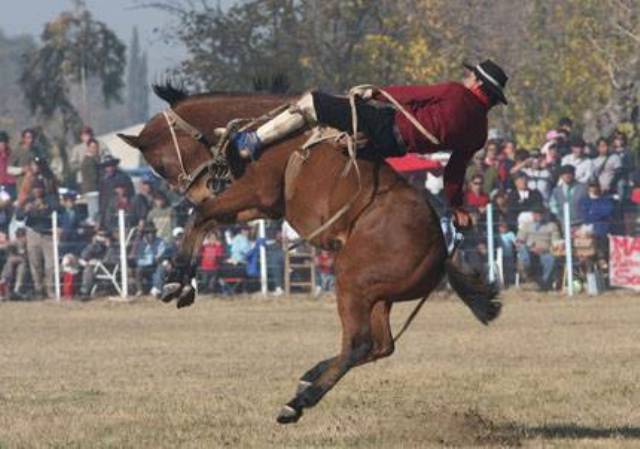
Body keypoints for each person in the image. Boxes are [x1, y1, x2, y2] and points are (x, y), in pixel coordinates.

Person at [232, 59, 509, 228]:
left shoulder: (455, 93)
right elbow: (455, 171)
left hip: (384, 126)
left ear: (477, 85)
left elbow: (412, 95)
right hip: (392, 149)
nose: (466, 77)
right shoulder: (479, 133)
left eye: (471, 75)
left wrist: (376, 93)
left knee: (313, 103)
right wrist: (456, 205)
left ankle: (253, 140)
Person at [15, 179, 58, 299]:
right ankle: (38, 290)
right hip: (33, 233)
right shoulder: (28, 200)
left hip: (48, 234)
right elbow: (18, 216)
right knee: (35, 263)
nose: (38, 190)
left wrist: (45, 208)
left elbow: (57, 209)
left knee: (51, 264)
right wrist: (26, 210)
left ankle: (51, 289)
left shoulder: (50, 199)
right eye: (35, 188)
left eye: (40, 188)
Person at [516, 206, 560, 291]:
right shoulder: (526, 226)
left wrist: (545, 249)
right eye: (536, 214)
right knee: (524, 252)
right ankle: (529, 278)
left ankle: (543, 283)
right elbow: (519, 241)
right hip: (530, 250)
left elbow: (556, 243)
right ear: (532, 214)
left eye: (540, 214)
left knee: (550, 259)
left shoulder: (552, 226)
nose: (538, 216)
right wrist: (529, 247)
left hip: (545, 251)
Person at [579, 180, 615, 260]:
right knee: (582, 238)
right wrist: (596, 213)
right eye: (591, 187)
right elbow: (584, 215)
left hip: (602, 226)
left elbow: (607, 212)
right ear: (588, 188)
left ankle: (601, 258)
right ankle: (587, 263)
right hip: (587, 225)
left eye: (595, 186)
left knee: (601, 235)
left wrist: (593, 213)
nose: (593, 189)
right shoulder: (584, 200)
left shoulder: (606, 200)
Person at [132, 222, 166, 295]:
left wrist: (152, 259)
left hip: (155, 265)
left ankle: (157, 289)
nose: (151, 234)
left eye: (153, 232)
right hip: (143, 266)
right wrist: (151, 258)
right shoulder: (140, 243)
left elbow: (160, 256)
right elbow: (138, 259)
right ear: (145, 234)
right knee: (138, 270)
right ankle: (140, 290)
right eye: (148, 232)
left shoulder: (160, 242)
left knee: (161, 268)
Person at [549, 165, 588, 229]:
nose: (567, 176)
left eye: (569, 174)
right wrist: (560, 215)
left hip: (581, 223)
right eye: (564, 174)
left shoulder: (584, 188)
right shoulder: (556, 190)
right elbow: (553, 205)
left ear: (574, 175)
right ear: (561, 176)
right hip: (564, 223)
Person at [98, 155, 134, 223]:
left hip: (121, 207)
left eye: (111, 165)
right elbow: (102, 198)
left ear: (115, 166)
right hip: (107, 209)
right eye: (107, 166)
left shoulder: (123, 177)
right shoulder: (103, 180)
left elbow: (130, 192)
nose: (110, 168)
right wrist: (101, 213)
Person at [150, 227, 184, 298]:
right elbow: (162, 258)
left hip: (183, 269)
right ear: (174, 239)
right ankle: (159, 289)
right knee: (161, 268)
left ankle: (158, 290)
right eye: (177, 238)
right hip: (173, 269)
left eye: (181, 237)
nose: (180, 240)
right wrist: (166, 263)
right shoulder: (170, 248)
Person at [0, 227, 28, 300]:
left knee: (21, 267)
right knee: (9, 266)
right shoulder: (14, 242)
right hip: (12, 260)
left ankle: (16, 289)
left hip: (21, 262)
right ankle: (4, 283)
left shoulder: (27, 243)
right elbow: (5, 246)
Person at [80, 138, 101, 221]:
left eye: (96, 147)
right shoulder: (89, 161)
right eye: (93, 147)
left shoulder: (92, 160)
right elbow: (94, 176)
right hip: (93, 189)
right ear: (88, 148)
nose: (95, 149)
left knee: (93, 210)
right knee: (94, 212)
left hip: (91, 190)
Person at [0, 131, 17, 198]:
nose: (3, 144)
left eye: (5, 141)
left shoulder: (11, 154)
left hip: (11, 184)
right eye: (2, 142)